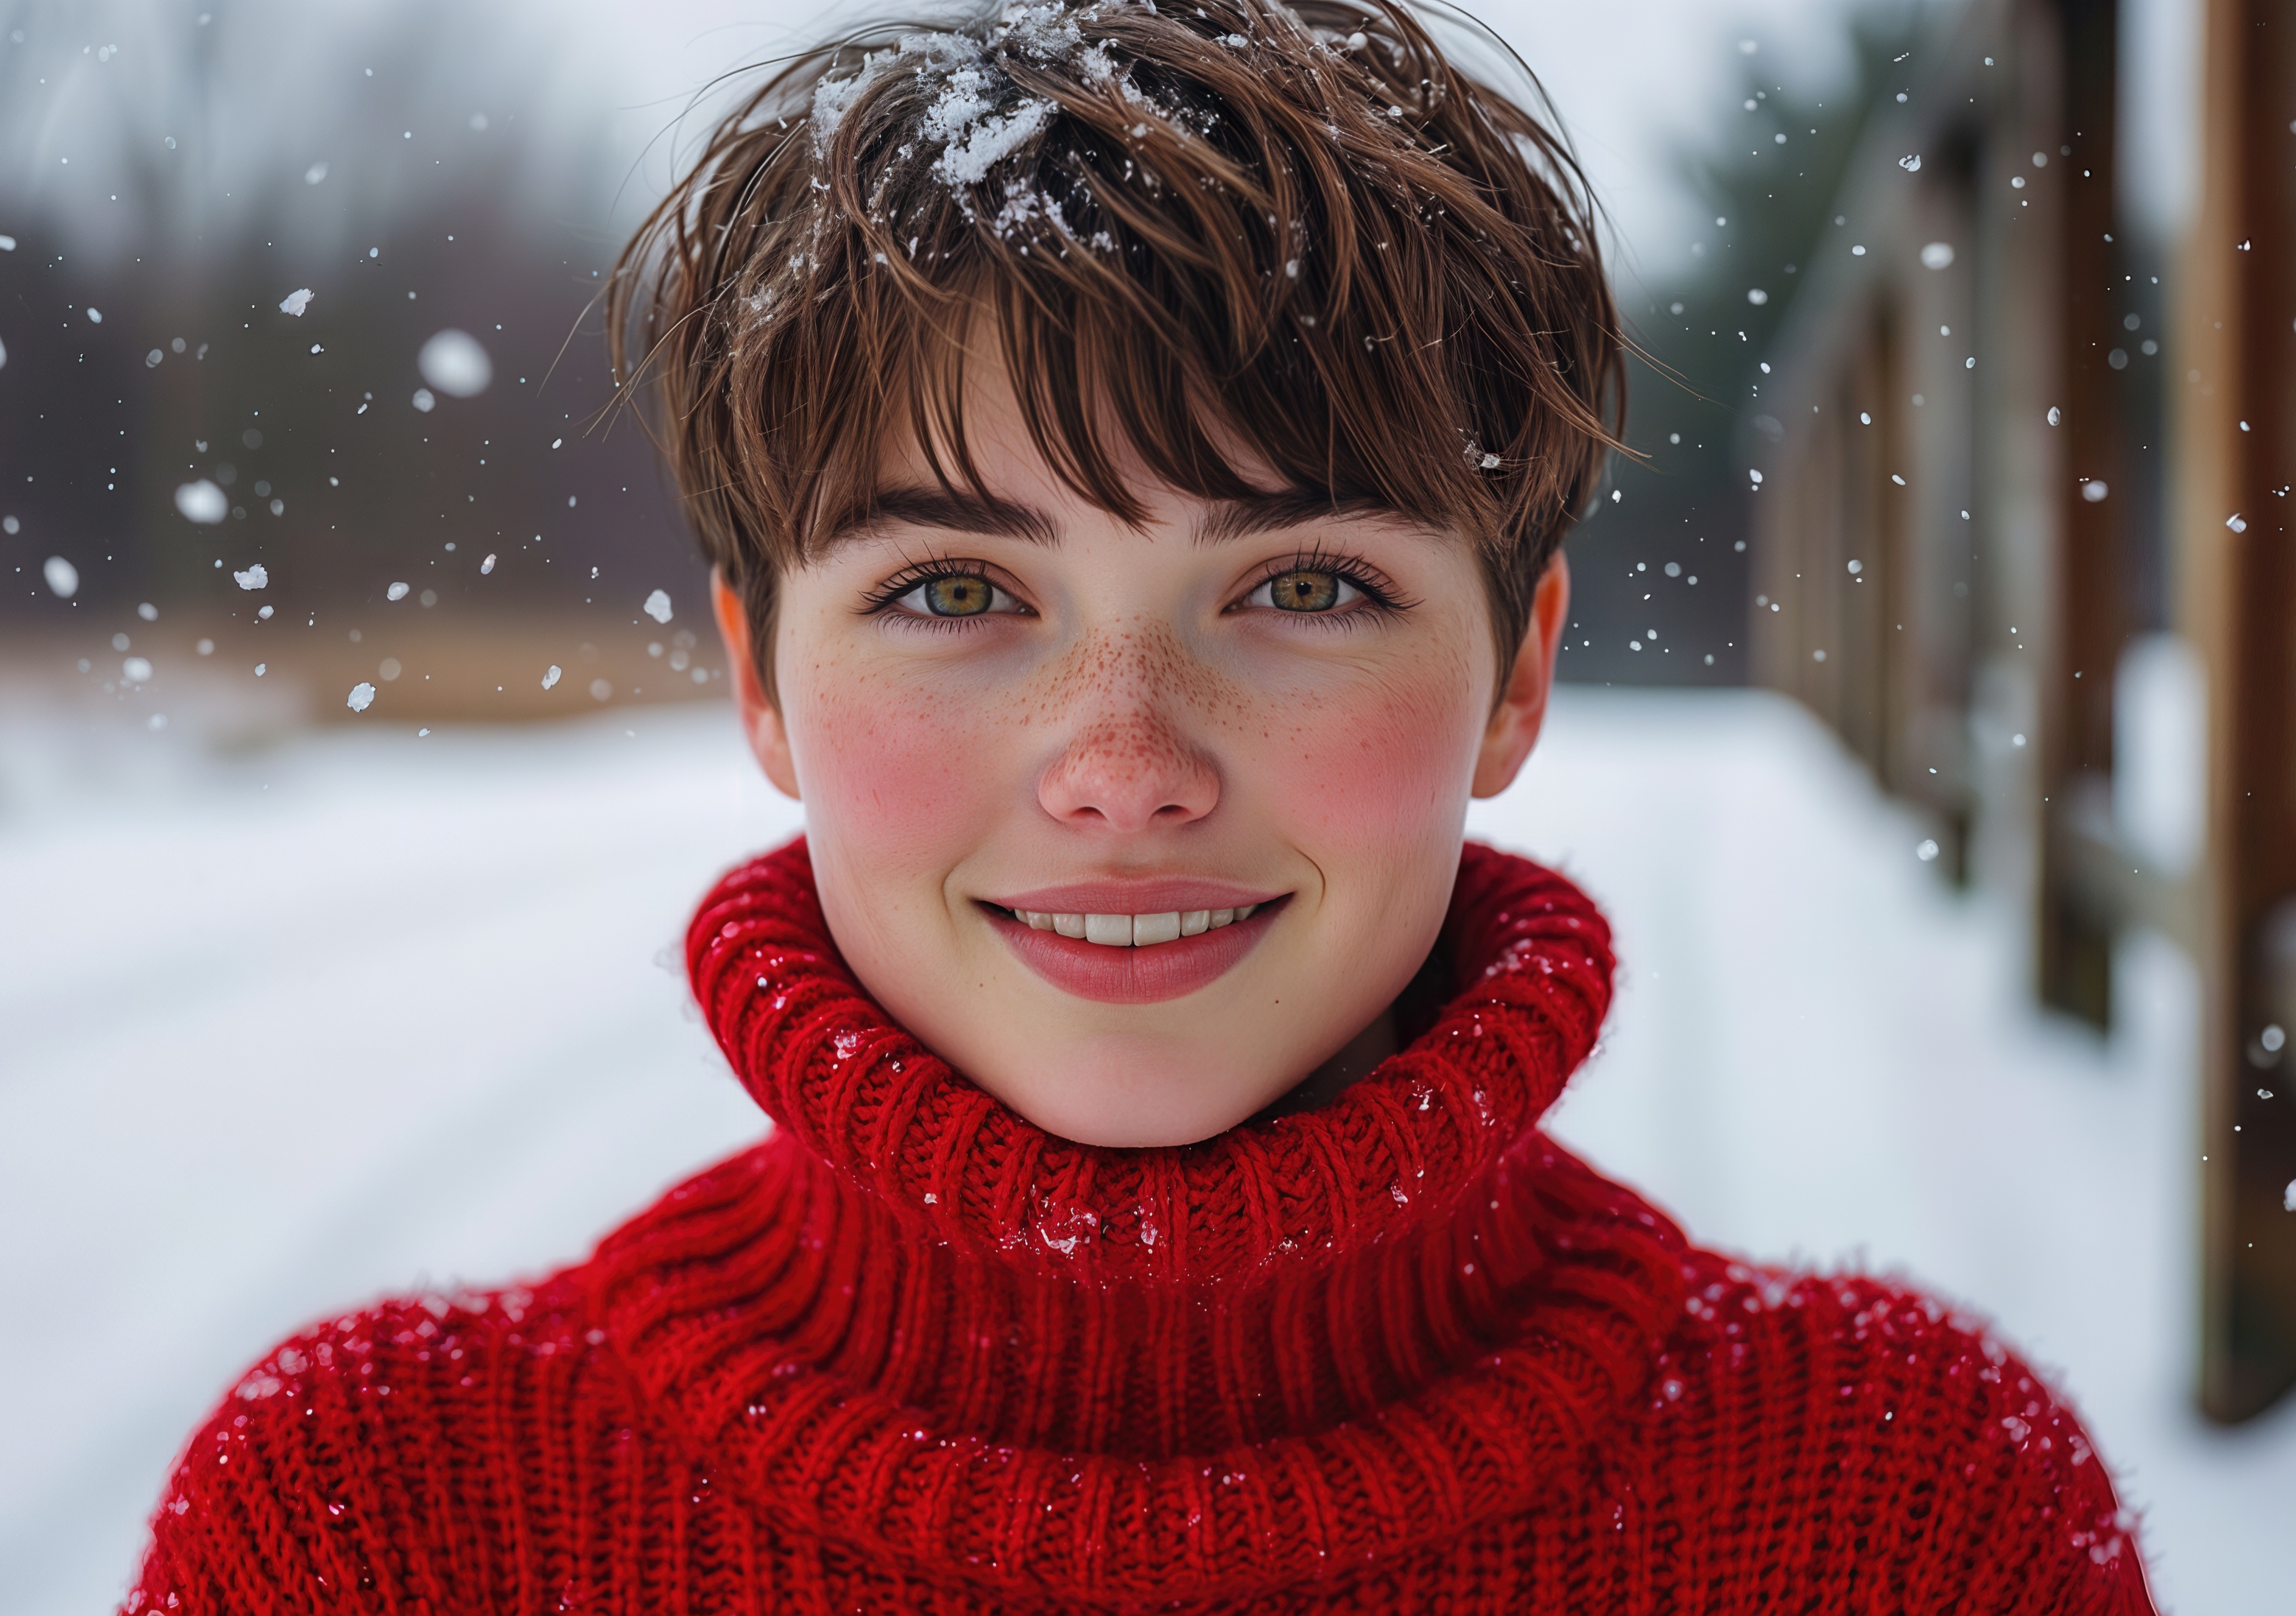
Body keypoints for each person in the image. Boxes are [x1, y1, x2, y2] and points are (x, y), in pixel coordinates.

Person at [126, 1, 2157, 1609]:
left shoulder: (1904, 1518)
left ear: (1518, 672)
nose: (1123, 759)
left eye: (1300, 588)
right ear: (758, 678)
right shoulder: (376, 1525)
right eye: (953, 591)